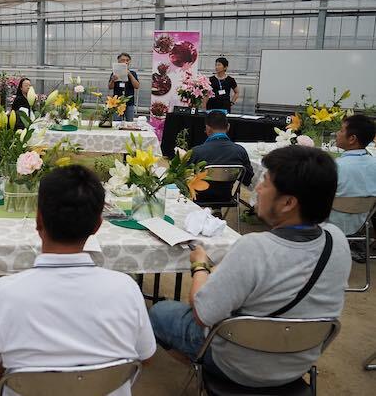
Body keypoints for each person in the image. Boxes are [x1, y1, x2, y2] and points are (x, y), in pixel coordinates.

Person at [149, 146, 351, 388]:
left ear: (288, 202)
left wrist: (200, 265)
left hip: (237, 365)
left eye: (265, 182)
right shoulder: (336, 240)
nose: (257, 188)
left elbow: (202, 315)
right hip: (297, 364)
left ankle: (203, 369)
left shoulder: (254, 247)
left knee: (160, 312)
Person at [0, 165, 155, 393]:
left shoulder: (0, 294)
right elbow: (146, 357)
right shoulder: (127, 289)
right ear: (97, 226)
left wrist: (20, 359)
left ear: (38, 220)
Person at [328, 114, 376, 263]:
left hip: (329, 223)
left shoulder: (335, 167)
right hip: (360, 223)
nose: (337, 133)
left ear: (352, 139)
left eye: (341, 130)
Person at [190, 111, 254, 203]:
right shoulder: (240, 151)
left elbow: (184, 177)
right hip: (227, 197)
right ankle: (217, 210)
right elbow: (247, 179)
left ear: (207, 129)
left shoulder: (197, 151)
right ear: (228, 127)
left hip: (200, 197)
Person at [108, 52, 140, 121]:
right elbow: (110, 87)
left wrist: (130, 75)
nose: (125, 62)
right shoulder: (114, 73)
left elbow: (137, 86)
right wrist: (113, 80)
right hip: (117, 103)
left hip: (129, 103)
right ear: (118, 61)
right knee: (116, 122)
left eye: (127, 60)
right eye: (123, 60)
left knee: (130, 122)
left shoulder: (133, 73)